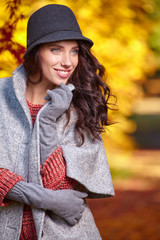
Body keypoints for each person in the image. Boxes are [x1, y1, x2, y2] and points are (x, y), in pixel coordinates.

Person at [0, 4, 114, 240]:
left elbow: (61, 187)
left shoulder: (81, 106)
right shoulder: (1, 95)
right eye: (56, 50)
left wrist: (49, 121)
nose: (67, 61)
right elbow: (57, 198)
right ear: (35, 52)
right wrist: (46, 200)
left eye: (74, 51)